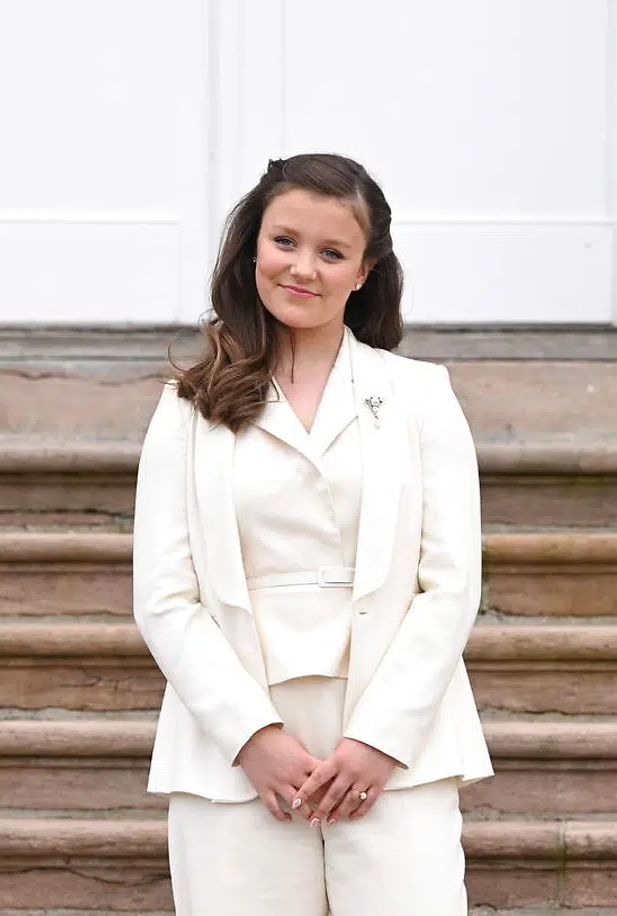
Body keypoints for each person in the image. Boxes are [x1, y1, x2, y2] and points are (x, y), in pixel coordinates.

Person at [132, 153, 492, 914]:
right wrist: (251, 737)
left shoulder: (420, 396)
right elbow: (164, 596)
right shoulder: (187, 406)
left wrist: (379, 740)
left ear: (365, 271)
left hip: (398, 747)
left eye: (332, 252)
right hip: (232, 754)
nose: (303, 268)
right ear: (251, 249)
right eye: (285, 242)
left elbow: (451, 583)